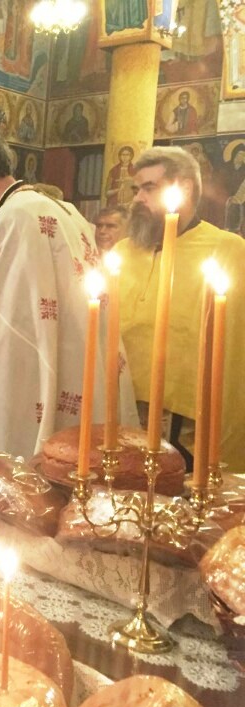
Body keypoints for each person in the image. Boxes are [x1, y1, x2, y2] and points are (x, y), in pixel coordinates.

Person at [0, 126, 138, 461]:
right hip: (84, 371)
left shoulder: (14, 217)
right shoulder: (63, 208)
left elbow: (5, 331)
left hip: (48, 382)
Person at [116, 146, 245, 471]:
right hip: (118, 405)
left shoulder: (227, 250)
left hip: (186, 424)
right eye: (136, 189)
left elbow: (235, 350)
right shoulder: (122, 252)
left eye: (149, 188)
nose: (137, 199)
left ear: (184, 188)